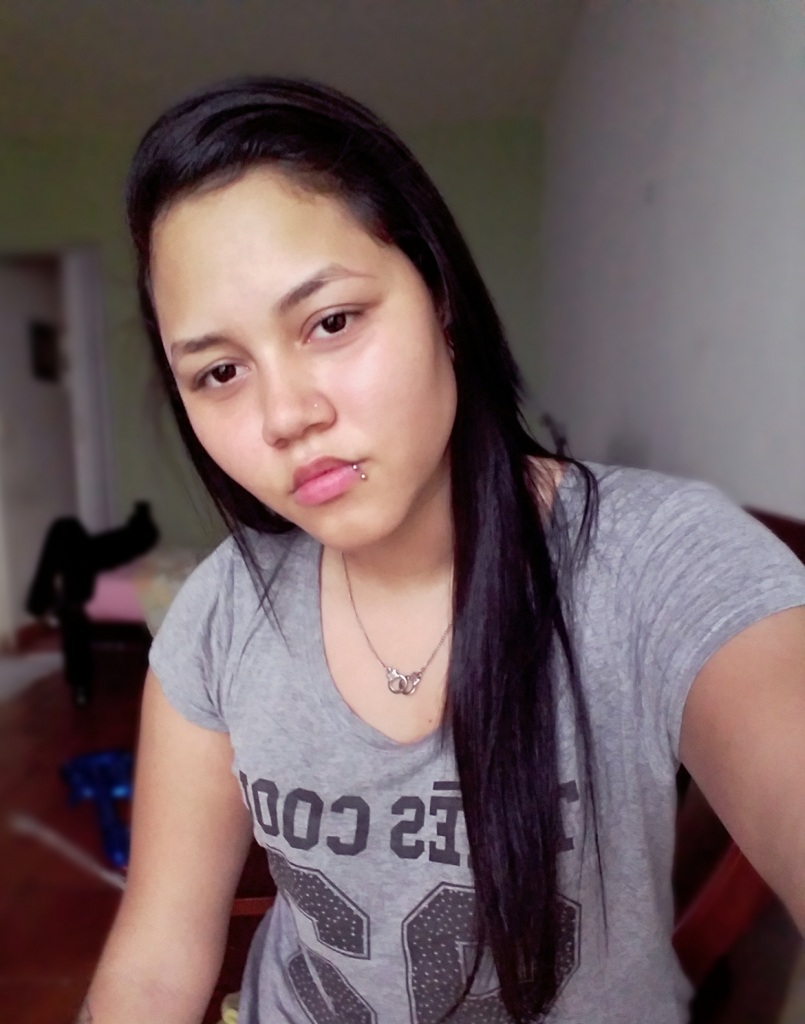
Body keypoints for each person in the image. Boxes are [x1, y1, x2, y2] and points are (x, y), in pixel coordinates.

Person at [80, 77, 805, 1024]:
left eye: (331, 321)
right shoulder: (222, 612)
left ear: (442, 300)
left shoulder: (656, 563)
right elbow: (154, 965)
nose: (286, 415)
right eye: (220, 371)